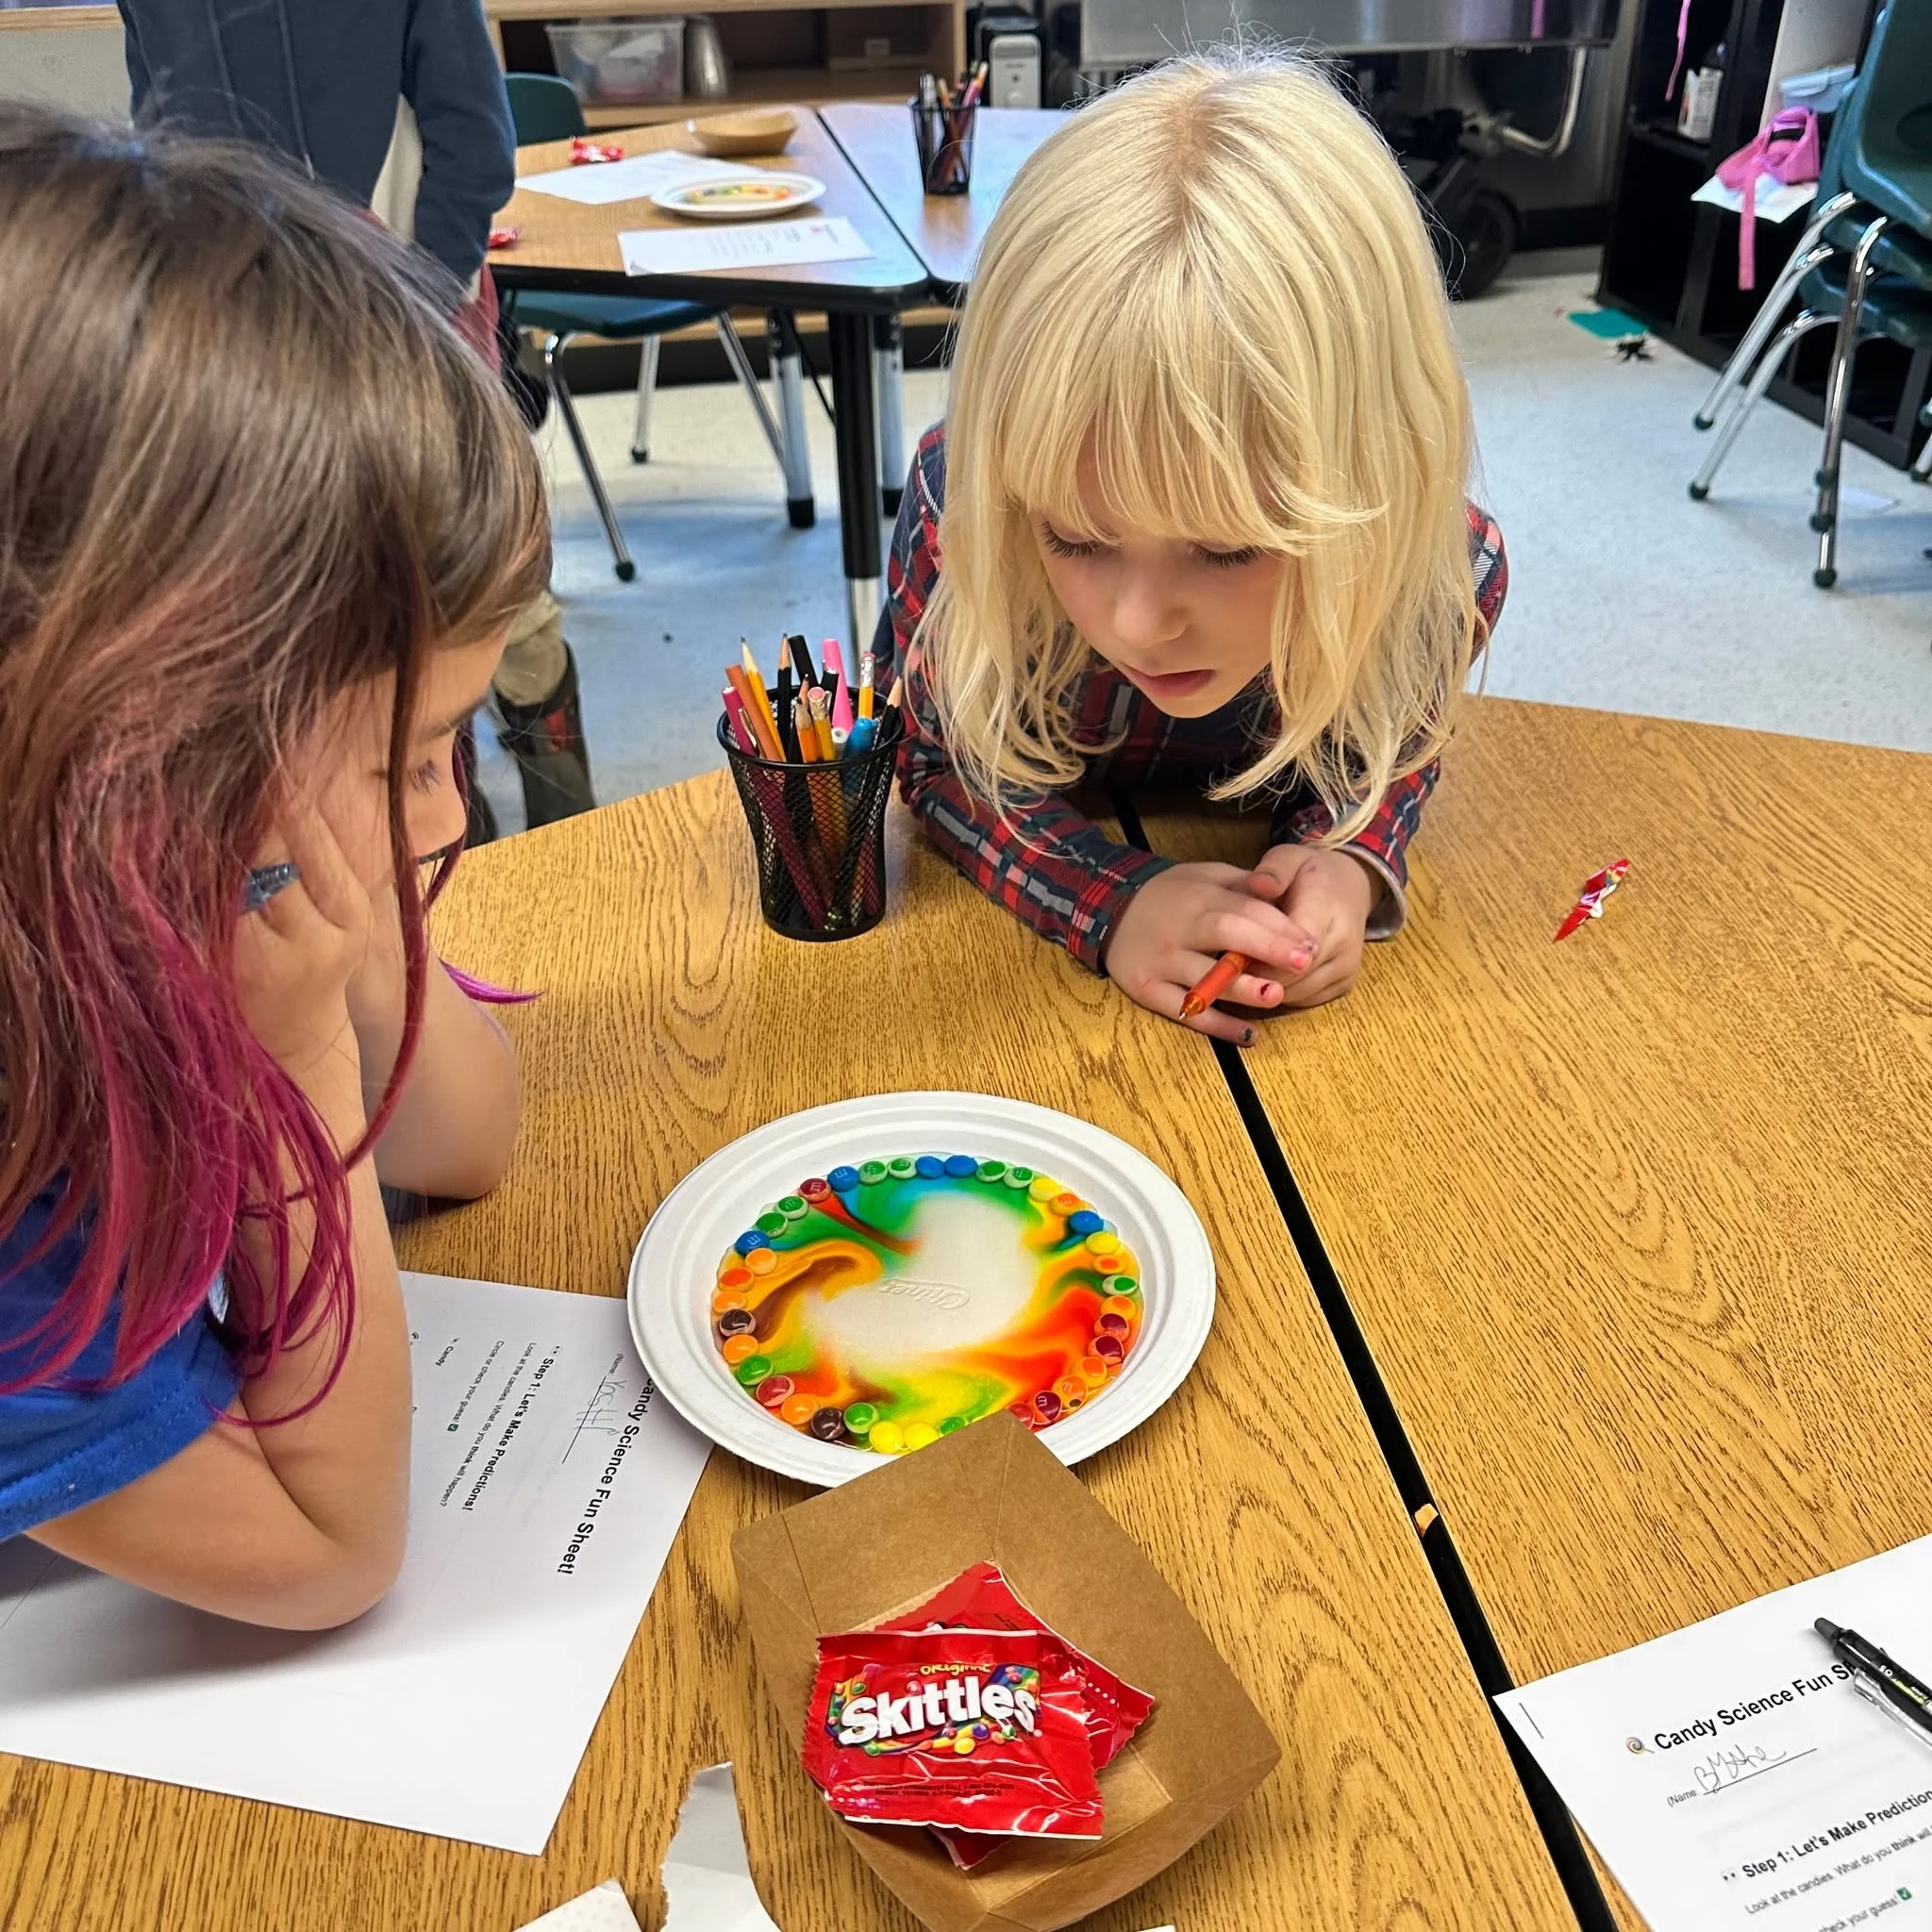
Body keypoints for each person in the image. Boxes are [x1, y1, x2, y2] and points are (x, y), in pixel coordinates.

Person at [0, 110, 548, 1627]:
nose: (451, 821)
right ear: (143, 752)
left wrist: (345, 908)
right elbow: (329, 1554)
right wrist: (300, 1048)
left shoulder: (142, 879)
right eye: (413, 759)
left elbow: (470, 1140)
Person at [885, 52, 1507, 1046]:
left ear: (1379, 494)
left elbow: (1384, 759)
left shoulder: (1442, 579)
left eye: (1225, 551)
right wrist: (1108, 898)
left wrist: (1342, 854)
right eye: (1074, 536)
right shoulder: (962, 509)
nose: (1136, 621)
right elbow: (936, 756)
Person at [115, 0, 595, 834]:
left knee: (492, 594)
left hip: (418, 316)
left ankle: (566, 823)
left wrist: (415, 302)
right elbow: (161, 142)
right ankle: (439, 844)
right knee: (350, 622)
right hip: (259, 342)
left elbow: (474, 142)